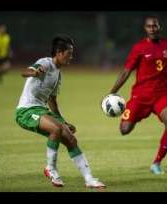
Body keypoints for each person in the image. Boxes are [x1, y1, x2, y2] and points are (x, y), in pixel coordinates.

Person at [107, 16, 167, 175]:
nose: (152, 29)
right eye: (149, 26)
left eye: (155, 26)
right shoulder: (139, 48)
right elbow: (126, 71)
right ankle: (138, 116)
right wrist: (112, 91)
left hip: (162, 95)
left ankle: (156, 163)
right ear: (145, 29)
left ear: (159, 27)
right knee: (124, 129)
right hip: (140, 96)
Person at [15, 35, 105, 188]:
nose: (71, 56)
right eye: (69, 53)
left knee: (71, 139)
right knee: (56, 129)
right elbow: (24, 72)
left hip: (42, 110)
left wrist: (64, 122)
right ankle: (51, 168)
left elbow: (52, 102)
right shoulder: (45, 63)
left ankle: (89, 179)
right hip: (26, 111)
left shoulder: (58, 74)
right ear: (59, 52)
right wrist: (35, 73)